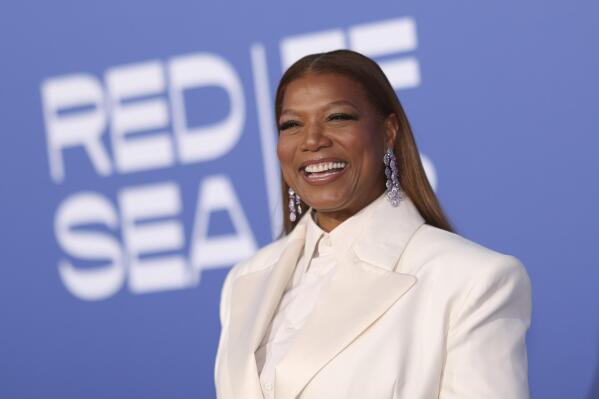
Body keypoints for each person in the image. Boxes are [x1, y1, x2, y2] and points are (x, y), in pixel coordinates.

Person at [214, 49, 531, 399]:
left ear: (388, 132)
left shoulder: (470, 281)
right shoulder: (244, 280)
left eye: (337, 118)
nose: (313, 140)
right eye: (292, 124)